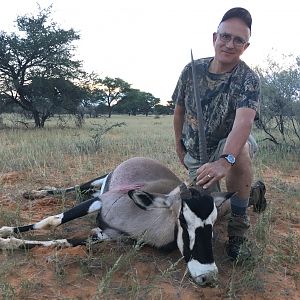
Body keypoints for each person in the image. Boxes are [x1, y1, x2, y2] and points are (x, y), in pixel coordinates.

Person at [172, 7, 260, 261]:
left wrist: (225, 160)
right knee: (205, 208)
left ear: (246, 46)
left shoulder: (248, 79)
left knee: (239, 152)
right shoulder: (191, 70)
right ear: (214, 37)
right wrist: (179, 146)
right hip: (196, 154)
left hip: (229, 148)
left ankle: (238, 231)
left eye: (238, 40)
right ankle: (252, 194)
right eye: (225, 36)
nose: (230, 44)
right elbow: (178, 112)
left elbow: (244, 122)